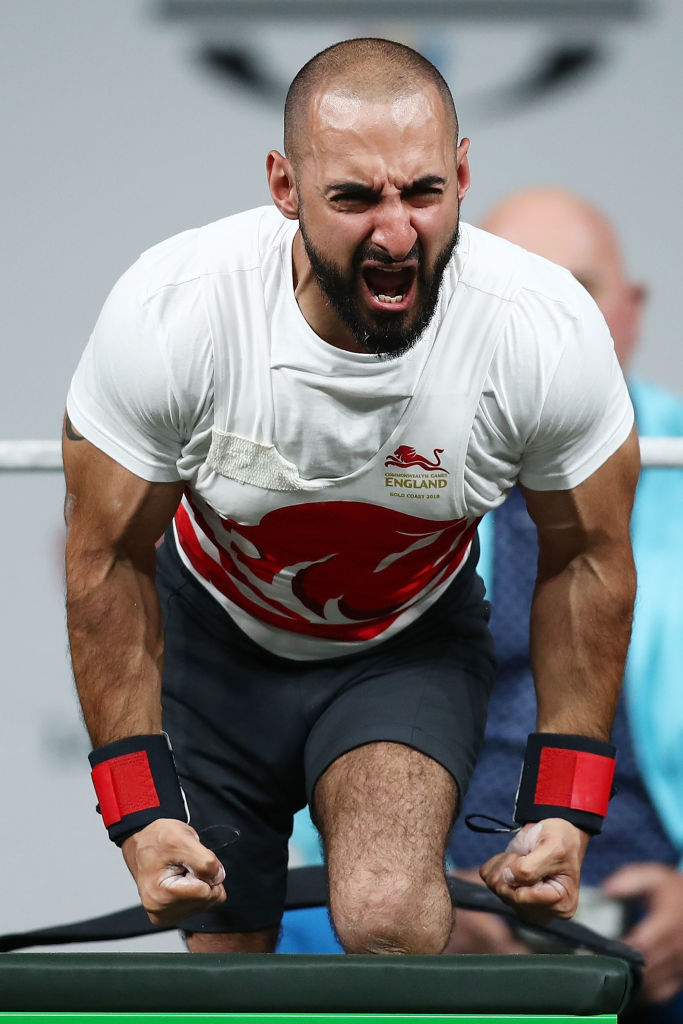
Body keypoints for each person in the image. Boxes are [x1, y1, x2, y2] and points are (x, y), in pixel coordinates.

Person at [63, 38, 639, 956]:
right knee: (227, 969)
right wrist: (140, 811)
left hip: (403, 646)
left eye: (421, 191)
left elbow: (588, 559)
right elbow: (105, 558)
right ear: (285, 190)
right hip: (210, 643)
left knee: (386, 915)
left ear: (460, 174)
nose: (396, 233)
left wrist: (565, 807)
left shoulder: (539, 329)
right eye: (354, 197)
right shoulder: (175, 312)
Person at [447, 188, 683, 1018]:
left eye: (579, 291)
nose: (554, 325)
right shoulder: (389, 482)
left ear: (631, 307)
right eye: (517, 296)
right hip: (442, 904)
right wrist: (413, 894)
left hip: (658, 904)